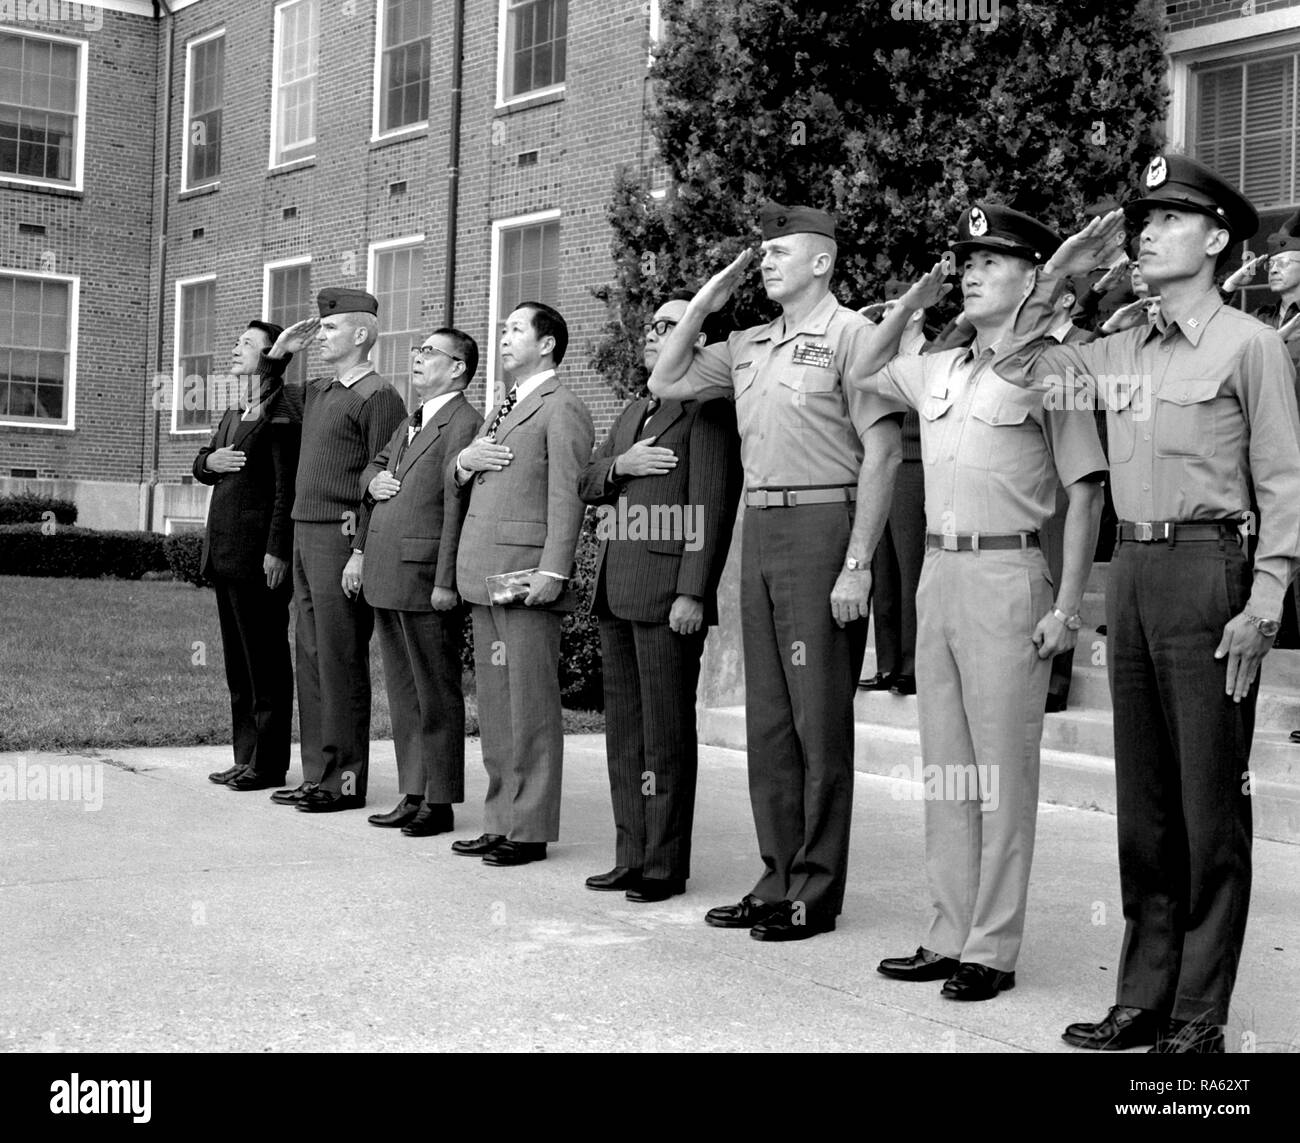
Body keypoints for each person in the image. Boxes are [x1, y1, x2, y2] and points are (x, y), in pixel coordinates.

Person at [1000, 154, 1300, 1052]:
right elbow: (1017, 365)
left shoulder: (1248, 345)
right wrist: (1066, 270)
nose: (1146, 233)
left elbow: (1285, 479)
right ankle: (1143, 996)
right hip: (1127, 571)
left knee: (1211, 805)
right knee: (1146, 806)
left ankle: (1200, 1013)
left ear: (1216, 240)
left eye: (1168, 220)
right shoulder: (1119, 348)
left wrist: (1269, 594)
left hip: (1211, 569)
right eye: (1140, 221)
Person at [649, 202, 947, 941]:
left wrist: (857, 563)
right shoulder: (748, 342)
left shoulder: (854, 337)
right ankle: (776, 873)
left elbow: (880, 454)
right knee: (770, 721)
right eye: (763, 252)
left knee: (819, 719)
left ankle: (815, 887)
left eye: (781, 250)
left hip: (825, 524)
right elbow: (666, 378)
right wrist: (708, 304)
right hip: (764, 528)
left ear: (822, 261)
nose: (767, 260)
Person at [860, 203, 1110, 1001]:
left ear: (1031, 277)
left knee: (1000, 775)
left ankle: (992, 949)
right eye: (964, 262)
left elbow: (1086, 491)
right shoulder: (937, 365)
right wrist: (911, 302)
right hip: (940, 574)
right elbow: (862, 368)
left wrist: (1067, 607)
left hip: (1009, 576)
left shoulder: (1052, 367)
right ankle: (947, 930)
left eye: (989, 263)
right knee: (947, 772)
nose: (969, 273)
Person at [577, 292, 742, 902]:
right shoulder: (633, 411)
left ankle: (664, 865)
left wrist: (693, 592)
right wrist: (622, 464)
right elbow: (587, 480)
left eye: (669, 325)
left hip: (669, 597)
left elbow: (713, 504)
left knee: (666, 737)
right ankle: (630, 853)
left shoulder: (708, 410)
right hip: (616, 594)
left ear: (698, 341)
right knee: (625, 735)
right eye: (652, 323)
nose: (654, 331)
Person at [450, 302, 594, 866]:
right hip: (484, 576)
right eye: (503, 329)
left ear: (548, 345)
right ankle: (499, 819)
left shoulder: (563, 408)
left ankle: (529, 829)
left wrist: (554, 571)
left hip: (525, 578)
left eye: (515, 330)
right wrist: (463, 460)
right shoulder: (501, 407)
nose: (504, 338)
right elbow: (461, 476)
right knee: (496, 704)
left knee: (530, 706)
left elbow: (569, 494)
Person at [268, 288, 407, 813]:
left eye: (329, 329)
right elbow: (266, 405)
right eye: (320, 329)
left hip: (341, 536)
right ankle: (318, 774)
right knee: (311, 657)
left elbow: (384, 476)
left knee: (340, 658)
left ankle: (344, 783)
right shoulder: (321, 390)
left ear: (361, 335)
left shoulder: (379, 396)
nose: (320, 336)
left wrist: (361, 550)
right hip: (306, 532)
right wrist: (279, 354)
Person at [351, 328, 483, 836]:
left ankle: (441, 800)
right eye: (418, 350)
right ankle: (413, 791)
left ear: (458, 368)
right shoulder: (412, 418)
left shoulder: (464, 422)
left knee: (436, 691)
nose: (418, 357)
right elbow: (374, 467)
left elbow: (458, 507)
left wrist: (446, 578)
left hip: (426, 575)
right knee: (404, 693)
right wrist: (371, 481)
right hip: (388, 571)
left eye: (430, 352)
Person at [194, 320, 301, 792]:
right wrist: (206, 463)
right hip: (226, 556)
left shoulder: (282, 409)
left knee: (266, 664)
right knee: (238, 666)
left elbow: (284, 488)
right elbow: (206, 459)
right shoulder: (235, 411)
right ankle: (245, 757)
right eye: (236, 341)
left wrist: (277, 550)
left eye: (248, 344)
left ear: (270, 357)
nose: (236, 348)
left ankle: (269, 763)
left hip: (259, 561)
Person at [859, 283, 926, 697]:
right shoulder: (882, 358)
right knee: (883, 570)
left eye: (894, 310)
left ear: (915, 313)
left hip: (917, 468)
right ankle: (887, 664)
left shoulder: (934, 354)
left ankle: (912, 665)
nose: (885, 318)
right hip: (881, 468)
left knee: (910, 568)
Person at [1039, 277, 1100, 713]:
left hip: (1072, 468)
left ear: (1065, 300)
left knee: (1063, 569)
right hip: (1031, 472)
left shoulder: (1087, 343)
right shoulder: (1028, 346)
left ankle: (1056, 682)